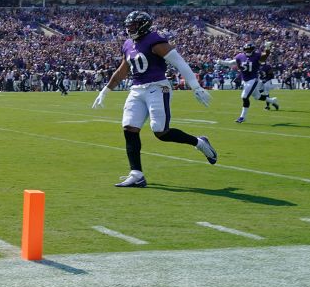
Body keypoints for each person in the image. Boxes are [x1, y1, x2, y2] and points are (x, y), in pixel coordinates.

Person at [92, 10, 217, 188]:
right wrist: (105, 90)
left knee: (160, 131)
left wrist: (195, 86)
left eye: (133, 26)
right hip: (136, 89)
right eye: (128, 26)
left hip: (158, 87)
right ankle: (136, 174)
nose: (130, 29)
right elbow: (122, 70)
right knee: (129, 128)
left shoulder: (155, 40)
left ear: (143, 25)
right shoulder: (128, 44)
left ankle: (199, 142)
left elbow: (180, 62)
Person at [231, 42, 276, 123]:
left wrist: (268, 48)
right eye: (246, 49)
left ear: (253, 50)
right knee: (257, 97)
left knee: (244, 97)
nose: (248, 51)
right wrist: (221, 62)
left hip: (253, 79)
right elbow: (234, 63)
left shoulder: (257, 56)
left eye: (249, 49)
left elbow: (265, 56)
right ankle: (271, 100)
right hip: (245, 80)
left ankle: (242, 117)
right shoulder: (240, 56)